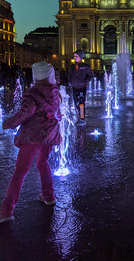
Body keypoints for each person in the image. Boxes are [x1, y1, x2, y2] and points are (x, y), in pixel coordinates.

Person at [0, 61, 62, 223]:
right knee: (43, 163)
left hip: (32, 137)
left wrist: (8, 124)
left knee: (20, 170)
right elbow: (59, 114)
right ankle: (49, 196)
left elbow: (25, 113)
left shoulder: (32, 93)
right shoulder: (55, 91)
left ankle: (7, 210)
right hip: (48, 135)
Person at [69, 49, 92, 126]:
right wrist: (70, 82)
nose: (75, 57)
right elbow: (69, 75)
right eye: (74, 56)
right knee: (76, 103)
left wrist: (84, 82)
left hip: (82, 87)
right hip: (74, 87)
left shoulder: (85, 66)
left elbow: (90, 76)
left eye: (76, 56)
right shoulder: (72, 67)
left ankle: (82, 118)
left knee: (81, 103)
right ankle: (77, 117)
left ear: (81, 57)